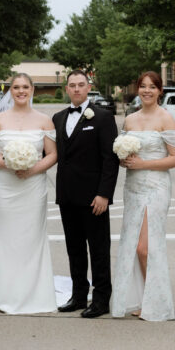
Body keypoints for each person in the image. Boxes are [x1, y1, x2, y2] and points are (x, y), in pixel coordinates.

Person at [0, 74, 57, 313]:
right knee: (6, 235)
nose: (20, 91)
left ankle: (33, 291)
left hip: (33, 186)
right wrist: (10, 163)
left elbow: (52, 154)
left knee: (32, 236)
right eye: (16, 87)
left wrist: (31, 169)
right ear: (10, 90)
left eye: (25, 87)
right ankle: (5, 291)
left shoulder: (44, 120)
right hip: (5, 185)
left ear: (32, 90)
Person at [111, 71, 175, 321]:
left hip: (156, 186)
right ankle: (144, 299)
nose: (147, 91)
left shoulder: (166, 118)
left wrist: (143, 165)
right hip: (133, 187)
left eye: (153, 87)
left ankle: (157, 303)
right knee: (133, 245)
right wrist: (125, 160)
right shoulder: (130, 120)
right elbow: (124, 158)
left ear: (160, 90)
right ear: (137, 89)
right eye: (143, 86)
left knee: (145, 247)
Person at [51, 69, 118, 319]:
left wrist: (104, 194)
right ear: (66, 89)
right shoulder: (58, 118)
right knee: (74, 248)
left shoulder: (103, 117)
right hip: (67, 196)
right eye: (72, 85)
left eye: (81, 84)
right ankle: (78, 296)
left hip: (94, 197)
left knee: (99, 249)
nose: (77, 89)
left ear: (88, 87)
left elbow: (109, 159)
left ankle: (101, 300)